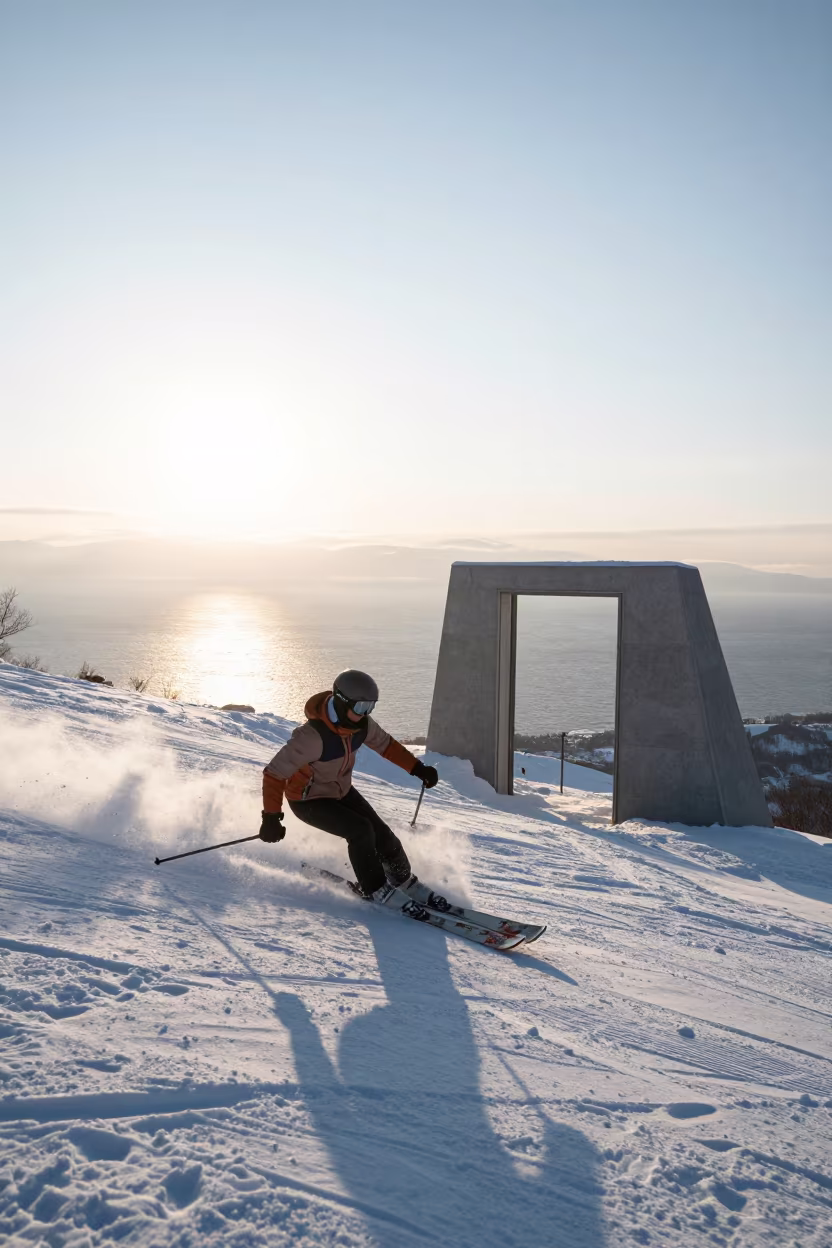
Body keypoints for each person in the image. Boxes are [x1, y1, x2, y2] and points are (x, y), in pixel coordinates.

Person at [259, 670, 439, 899]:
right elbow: (274, 774)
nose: (366, 713)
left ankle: (403, 880)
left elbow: (386, 745)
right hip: (308, 800)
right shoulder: (311, 737)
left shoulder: (361, 726)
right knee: (360, 831)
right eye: (361, 707)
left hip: (341, 792)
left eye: (370, 707)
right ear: (342, 703)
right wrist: (271, 817)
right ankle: (375, 889)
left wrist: (417, 768)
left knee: (383, 836)